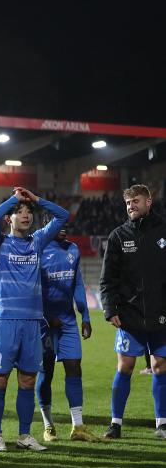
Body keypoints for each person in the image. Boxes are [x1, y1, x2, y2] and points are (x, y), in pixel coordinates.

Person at [0, 187, 69, 452]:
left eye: (28, 212)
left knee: (28, 381)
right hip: (6, 321)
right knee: (0, 379)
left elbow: (63, 216)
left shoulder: (37, 241)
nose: (26, 215)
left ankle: (24, 435)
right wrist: (14, 200)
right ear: (9, 218)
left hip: (33, 322)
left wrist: (35, 200)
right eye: (19, 212)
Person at [99, 184, 166, 440]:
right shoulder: (118, 236)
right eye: (128, 203)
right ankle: (115, 424)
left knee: (160, 366)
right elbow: (108, 279)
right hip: (130, 315)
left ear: (149, 201)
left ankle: (162, 423)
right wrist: (110, 309)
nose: (131, 206)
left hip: (161, 314)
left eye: (136, 201)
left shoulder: (163, 232)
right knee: (125, 366)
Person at [37, 227, 100, 442]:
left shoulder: (72, 248)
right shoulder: (38, 249)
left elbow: (77, 283)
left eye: (66, 224)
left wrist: (86, 316)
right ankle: (48, 425)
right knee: (46, 373)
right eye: (58, 224)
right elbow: (31, 287)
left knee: (74, 367)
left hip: (67, 320)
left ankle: (78, 426)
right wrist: (45, 316)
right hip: (44, 323)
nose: (63, 228)